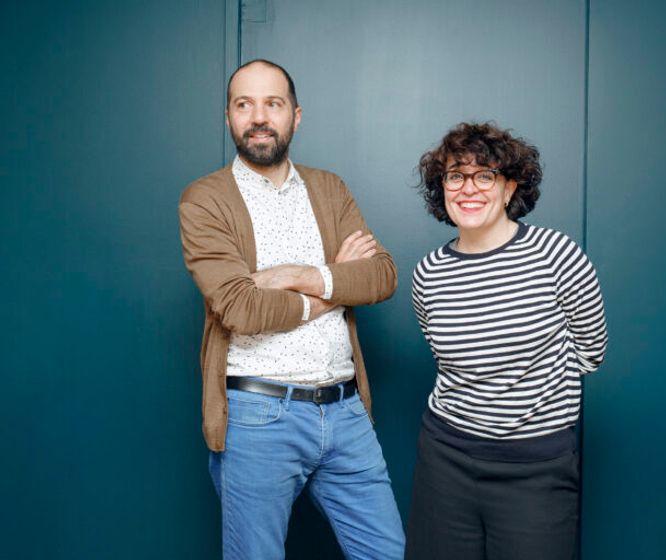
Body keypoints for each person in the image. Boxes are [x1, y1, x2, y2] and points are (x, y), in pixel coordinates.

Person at [178, 59, 405, 560]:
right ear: (228, 116)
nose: (259, 117)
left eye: (273, 104)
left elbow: (382, 275)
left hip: (346, 412)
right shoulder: (205, 200)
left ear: (295, 116)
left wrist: (296, 273)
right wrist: (335, 283)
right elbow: (240, 307)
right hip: (258, 417)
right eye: (244, 105)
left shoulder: (330, 189)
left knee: (387, 552)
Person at [406, 122, 608, 559]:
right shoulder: (428, 274)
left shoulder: (556, 254)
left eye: (485, 175)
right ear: (442, 188)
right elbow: (448, 362)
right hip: (445, 459)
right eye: (455, 176)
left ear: (509, 187)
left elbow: (590, 352)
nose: (468, 188)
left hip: (536, 467)